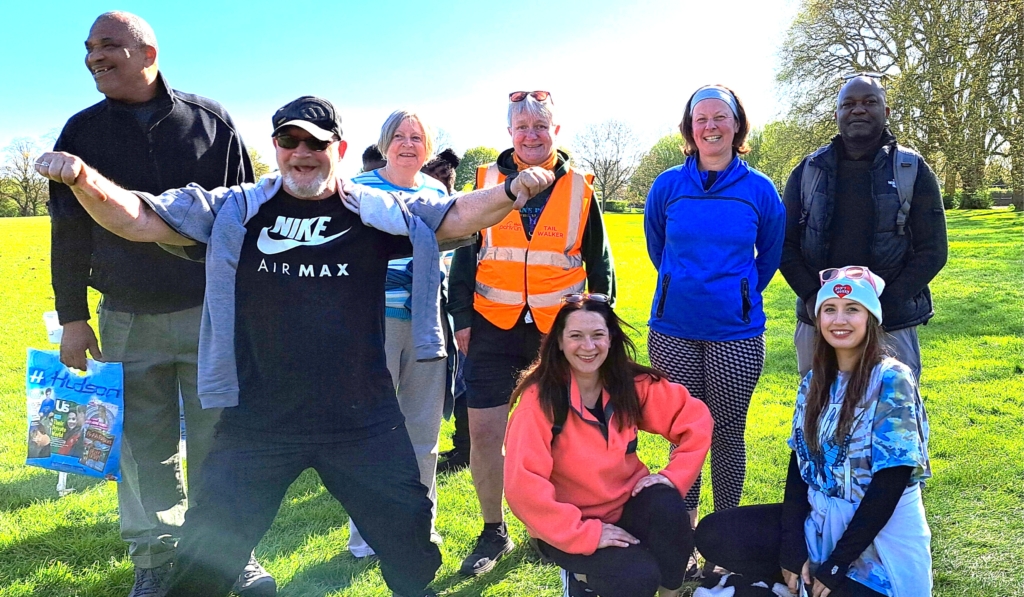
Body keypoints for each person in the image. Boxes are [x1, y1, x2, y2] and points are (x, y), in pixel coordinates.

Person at [35, 94, 556, 597]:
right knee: (202, 560)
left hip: (361, 417)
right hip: (260, 418)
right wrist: (85, 179)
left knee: (412, 548)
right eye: (290, 140)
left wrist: (511, 192)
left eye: (316, 142)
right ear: (277, 146)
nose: (302, 153)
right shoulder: (237, 209)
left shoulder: (375, 211)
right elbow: (139, 219)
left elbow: (457, 214)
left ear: (341, 151)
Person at [45, 12, 265, 596]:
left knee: (222, 440)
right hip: (125, 317)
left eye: (109, 46)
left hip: (209, 317)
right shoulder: (80, 133)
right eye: (88, 48)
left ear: (149, 51)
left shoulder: (210, 122)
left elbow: (243, 221)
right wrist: (72, 316)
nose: (94, 57)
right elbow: (67, 232)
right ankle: (153, 561)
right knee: (143, 449)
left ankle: (227, 553)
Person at [448, 90, 616, 576]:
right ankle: (492, 529)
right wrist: (460, 315)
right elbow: (463, 251)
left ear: (556, 132)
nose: (532, 134)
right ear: (509, 133)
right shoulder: (483, 181)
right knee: (484, 433)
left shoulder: (582, 187)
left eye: (541, 126)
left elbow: (599, 262)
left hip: (556, 331)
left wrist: (598, 324)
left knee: (561, 433)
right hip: (490, 327)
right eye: (522, 126)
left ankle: (553, 526)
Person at [695, 266, 932, 597]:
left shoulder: (892, 379)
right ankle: (797, 575)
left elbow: (890, 483)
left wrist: (837, 565)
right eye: (829, 310)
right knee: (715, 533)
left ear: (871, 319)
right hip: (818, 519)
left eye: (853, 310)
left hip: (877, 535)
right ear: (818, 319)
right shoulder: (814, 381)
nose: (840, 320)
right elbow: (799, 463)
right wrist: (792, 547)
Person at [643, 84, 785, 566]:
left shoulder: (760, 190)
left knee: (726, 431)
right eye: (700, 119)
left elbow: (769, 257)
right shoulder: (667, 186)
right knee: (685, 433)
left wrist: (737, 295)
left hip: (735, 335)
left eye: (720, 117)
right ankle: (682, 538)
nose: (710, 126)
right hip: (673, 330)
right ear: (689, 128)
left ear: (737, 125)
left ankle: (724, 541)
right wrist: (682, 288)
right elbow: (656, 247)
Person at [504, 294, 712, 597]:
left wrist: (672, 477)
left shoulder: (628, 383)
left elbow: (696, 420)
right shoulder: (539, 401)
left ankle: (672, 594)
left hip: (626, 506)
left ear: (611, 339)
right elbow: (523, 487)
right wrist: (584, 534)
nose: (588, 347)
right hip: (566, 525)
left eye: (598, 335)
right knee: (637, 577)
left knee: (668, 506)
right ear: (558, 342)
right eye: (576, 336)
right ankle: (580, 580)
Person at [779, 74, 948, 382]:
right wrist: (815, 300)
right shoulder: (807, 171)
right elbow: (784, 245)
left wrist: (880, 306)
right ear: (837, 114)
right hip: (820, 323)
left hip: (890, 322)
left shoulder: (912, 169)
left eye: (870, 102)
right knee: (818, 412)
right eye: (849, 104)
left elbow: (932, 251)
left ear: (887, 111)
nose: (858, 109)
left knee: (891, 415)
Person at [346, 111, 451, 558]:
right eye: (399, 137)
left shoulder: (438, 191)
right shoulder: (360, 188)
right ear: (385, 142)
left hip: (427, 325)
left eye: (417, 138)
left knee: (422, 435)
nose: (408, 145)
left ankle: (418, 526)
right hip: (373, 326)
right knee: (371, 432)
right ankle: (365, 535)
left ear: (427, 148)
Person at [422, 149, 472, 474]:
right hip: (447, 313)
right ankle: (461, 446)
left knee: (463, 382)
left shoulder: (462, 217)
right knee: (458, 382)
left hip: (457, 315)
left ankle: (465, 451)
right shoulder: (451, 215)